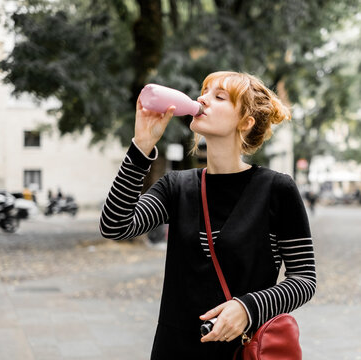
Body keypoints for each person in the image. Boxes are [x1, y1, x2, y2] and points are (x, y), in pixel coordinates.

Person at [100, 71, 316, 359]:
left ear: (245, 122)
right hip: (174, 349)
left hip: (242, 350)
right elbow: (115, 225)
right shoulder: (176, 187)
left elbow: (304, 279)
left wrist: (248, 308)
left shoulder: (277, 189)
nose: (202, 99)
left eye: (219, 96)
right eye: (204, 92)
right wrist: (142, 147)